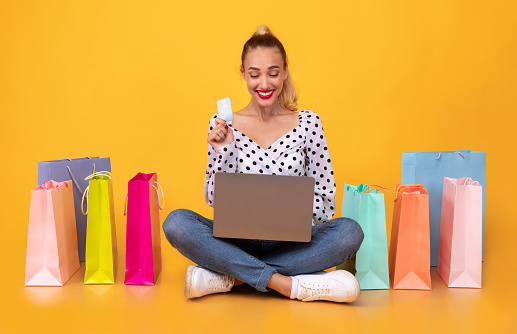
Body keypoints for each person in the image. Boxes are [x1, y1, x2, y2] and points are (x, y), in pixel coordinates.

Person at [163, 25, 364, 303]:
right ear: (243, 74)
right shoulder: (224, 124)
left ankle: (232, 276)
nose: (264, 84)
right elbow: (212, 198)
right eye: (255, 74)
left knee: (349, 232)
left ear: (284, 72)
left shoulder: (308, 123)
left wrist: (291, 207)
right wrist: (223, 150)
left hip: (292, 243)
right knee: (177, 223)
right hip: (236, 241)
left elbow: (326, 201)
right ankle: (286, 284)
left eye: (273, 73)